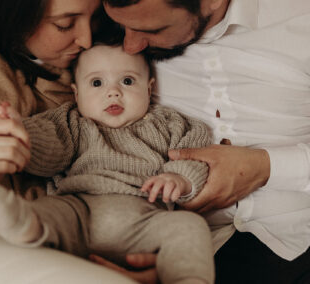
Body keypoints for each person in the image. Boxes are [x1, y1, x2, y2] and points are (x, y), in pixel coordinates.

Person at [0, 0, 143, 283]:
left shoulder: (100, 68)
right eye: (64, 24)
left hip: (64, 236)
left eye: (94, 19)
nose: (86, 39)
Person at [0, 43, 215, 284]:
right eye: (97, 82)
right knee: (45, 212)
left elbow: (195, 150)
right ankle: (12, 217)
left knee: (189, 226)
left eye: (127, 81)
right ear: (76, 95)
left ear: (149, 88)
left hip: (144, 220)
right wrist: (18, 130)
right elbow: (49, 147)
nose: (113, 92)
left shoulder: (168, 123)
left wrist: (179, 178)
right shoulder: (73, 123)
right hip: (78, 211)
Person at [96, 0, 310, 283]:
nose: (131, 45)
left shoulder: (300, 20)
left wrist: (265, 167)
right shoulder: (108, 36)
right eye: (122, 26)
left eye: (154, 29)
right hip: (187, 249)